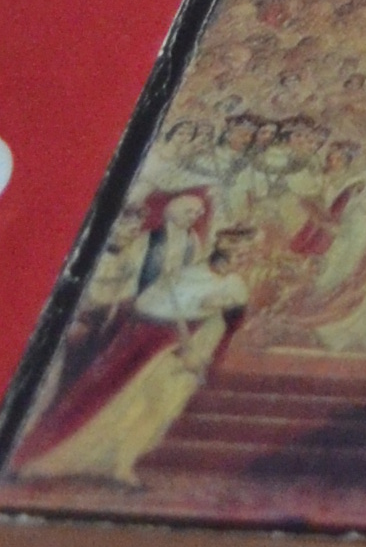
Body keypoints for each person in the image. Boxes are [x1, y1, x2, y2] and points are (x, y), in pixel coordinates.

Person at [17, 191, 247, 489]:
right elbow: (142, 290)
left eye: (198, 213)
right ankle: (66, 458)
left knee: (156, 408)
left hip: (178, 342)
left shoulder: (200, 250)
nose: (195, 217)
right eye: (190, 212)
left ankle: (121, 463)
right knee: (117, 397)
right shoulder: (151, 245)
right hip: (145, 328)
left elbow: (221, 315)